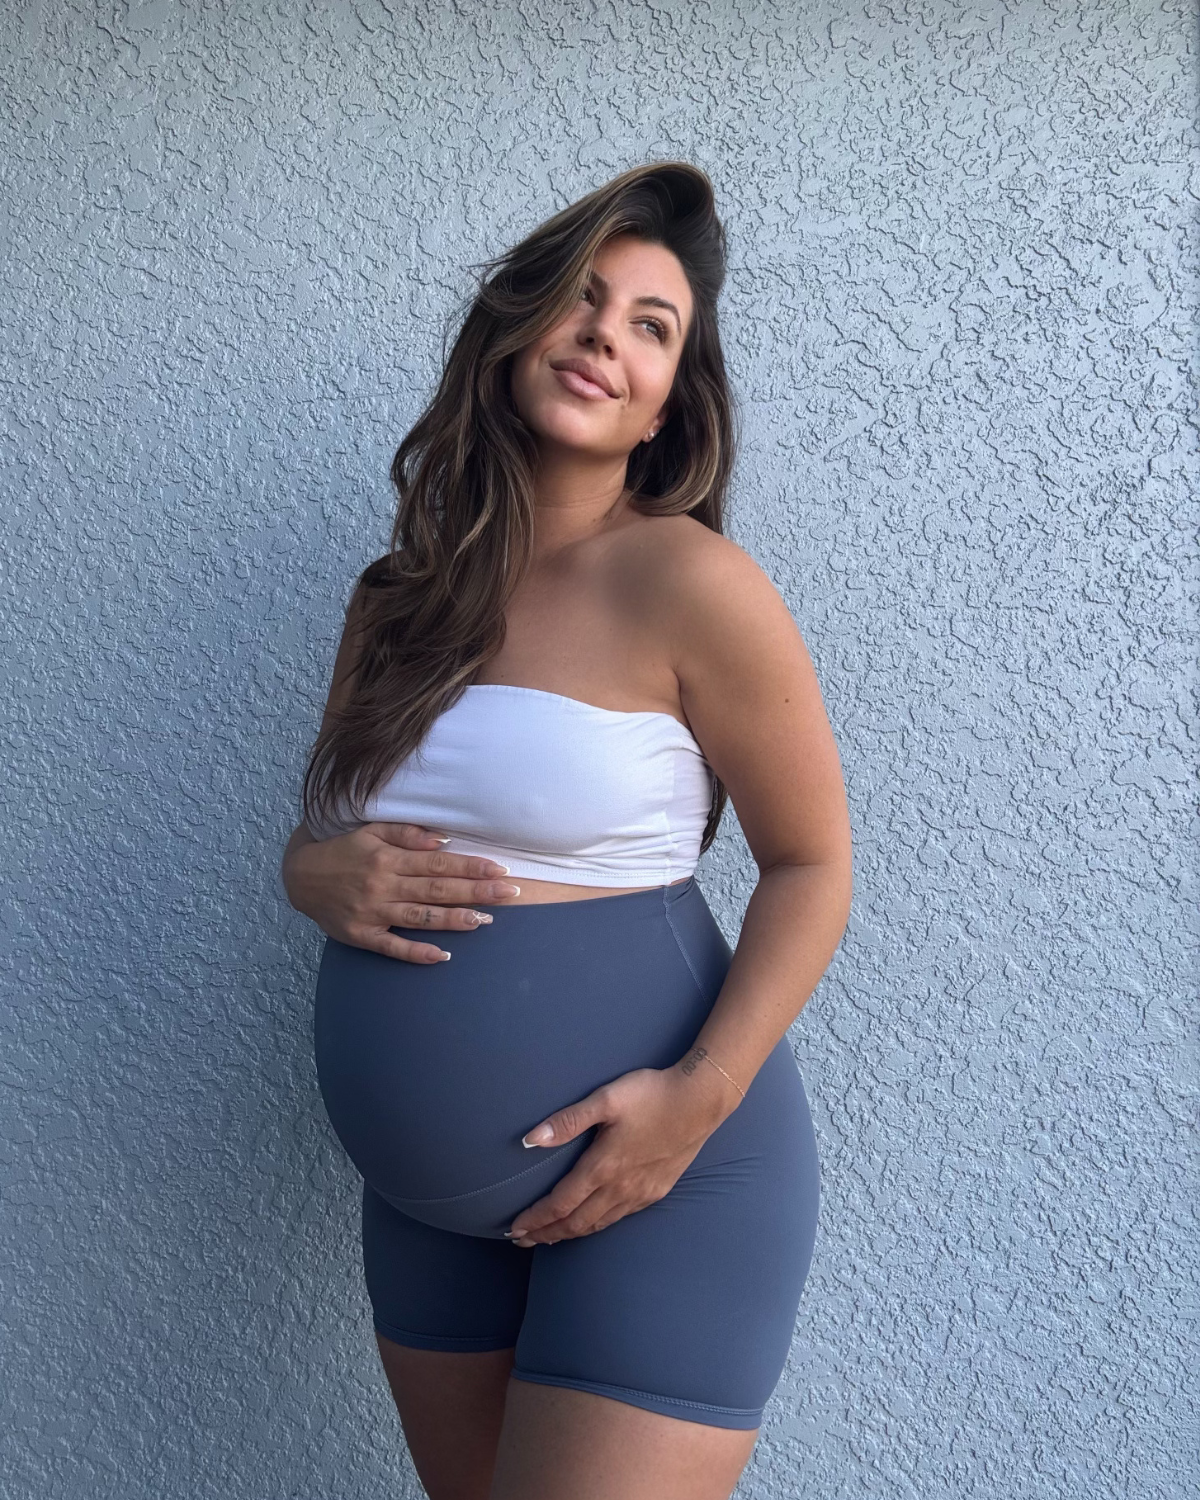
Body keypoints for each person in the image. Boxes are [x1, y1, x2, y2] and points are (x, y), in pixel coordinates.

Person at [280, 162, 853, 1500]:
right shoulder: (395, 598)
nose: (605, 336)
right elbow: (334, 842)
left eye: (652, 326)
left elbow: (813, 866)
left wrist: (698, 1097)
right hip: (422, 1209)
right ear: (515, 325)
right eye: (583, 300)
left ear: (669, 402)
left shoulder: (690, 581)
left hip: (665, 1176)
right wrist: (308, 874)